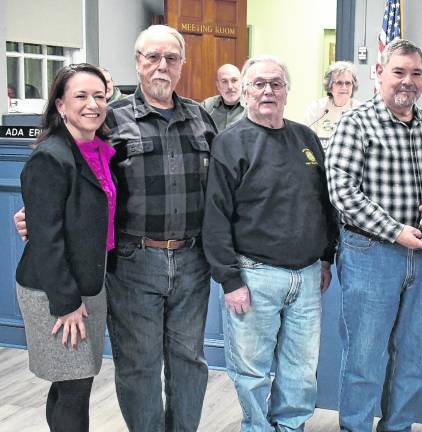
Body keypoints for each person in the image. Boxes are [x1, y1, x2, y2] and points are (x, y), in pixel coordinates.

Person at [203, 55, 338, 431]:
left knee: (301, 371)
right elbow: (215, 216)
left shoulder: (306, 138)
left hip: (307, 276)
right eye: (259, 84)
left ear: (286, 92)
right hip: (254, 275)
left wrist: (326, 257)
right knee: (252, 371)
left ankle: (290, 427)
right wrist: (230, 280)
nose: (268, 91)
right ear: (246, 91)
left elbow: (324, 203)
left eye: (276, 84)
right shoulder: (230, 143)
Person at [325, 39, 422, 432]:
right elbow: (342, 191)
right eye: (399, 72)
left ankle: (398, 427)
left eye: (416, 73)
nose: (408, 80)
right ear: (379, 73)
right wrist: (395, 231)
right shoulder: (355, 122)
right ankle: (356, 427)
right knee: (364, 358)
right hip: (371, 254)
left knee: (413, 358)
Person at [103, 25, 217, 431]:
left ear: (182, 64)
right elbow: (77, 176)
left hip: (192, 261)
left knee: (190, 362)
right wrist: (40, 212)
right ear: (138, 62)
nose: (161, 66)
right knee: (139, 365)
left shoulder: (201, 118)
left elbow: (223, 189)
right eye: (153, 57)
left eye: (171, 58)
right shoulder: (110, 119)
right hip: (133, 262)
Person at [16, 63, 115, 432]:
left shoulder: (100, 150)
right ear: (60, 104)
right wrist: (66, 303)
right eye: (81, 96)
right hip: (56, 291)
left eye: (99, 96)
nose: (93, 104)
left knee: (72, 381)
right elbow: (47, 239)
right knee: (74, 385)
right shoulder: (51, 156)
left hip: (90, 283)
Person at [303, 60, 362, 149]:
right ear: (330, 86)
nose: (344, 87)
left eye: (348, 83)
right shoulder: (316, 108)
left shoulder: (360, 110)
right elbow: (306, 140)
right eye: (339, 83)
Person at [201, 63, 246, 131]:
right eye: (224, 81)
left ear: (242, 82)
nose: (230, 86)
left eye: (234, 80)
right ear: (218, 85)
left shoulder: (253, 107)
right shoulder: (206, 106)